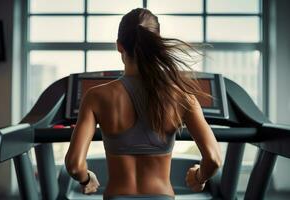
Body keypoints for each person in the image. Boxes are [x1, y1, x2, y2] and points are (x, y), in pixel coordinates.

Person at [65, 8, 222, 200]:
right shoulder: (182, 96)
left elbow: (74, 165)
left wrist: (86, 179)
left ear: (119, 46)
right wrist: (198, 177)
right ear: (155, 44)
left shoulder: (96, 96)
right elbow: (213, 159)